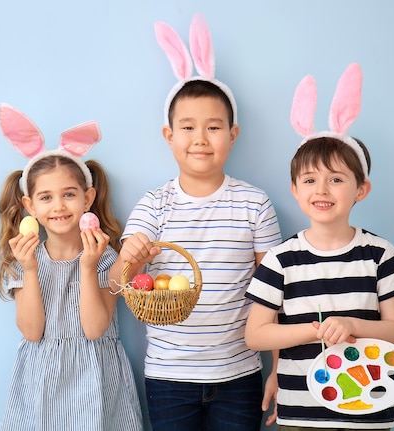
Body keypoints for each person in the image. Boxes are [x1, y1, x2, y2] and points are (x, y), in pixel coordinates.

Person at [110, 14, 282, 431]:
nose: (200, 138)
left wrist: (278, 369)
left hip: (240, 374)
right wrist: (130, 259)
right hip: (169, 374)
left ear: (233, 133)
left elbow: (276, 294)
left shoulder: (254, 203)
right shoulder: (154, 204)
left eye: (213, 127)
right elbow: (117, 280)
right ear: (169, 135)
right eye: (187, 127)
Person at [244, 63, 394, 430]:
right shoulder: (280, 259)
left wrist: (352, 324)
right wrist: (317, 328)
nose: (321, 190)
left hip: (369, 411)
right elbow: (256, 334)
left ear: (361, 190)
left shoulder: (380, 255)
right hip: (299, 414)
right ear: (295, 190)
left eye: (336, 179)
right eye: (310, 179)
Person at [0, 104, 143, 431]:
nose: (58, 206)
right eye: (45, 198)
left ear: (88, 199)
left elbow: (94, 329)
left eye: (69, 194)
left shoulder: (105, 257)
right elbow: (32, 332)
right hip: (41, 381)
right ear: (30, 206)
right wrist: (30, 270)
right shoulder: (23, 260)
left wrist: (88, 268)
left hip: (96, 379)